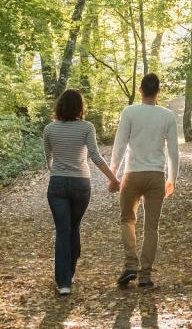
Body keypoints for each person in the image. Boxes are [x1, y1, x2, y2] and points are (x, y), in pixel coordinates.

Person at [44, 89, 120, 295]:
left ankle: (64, 283)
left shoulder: (49, 129)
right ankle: (70, 273)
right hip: (81, 185)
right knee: (73, 227)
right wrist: (113, 179)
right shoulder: (87, 127)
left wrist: (59, 172)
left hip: (57, 184)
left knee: (62, 231)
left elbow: (48, 158)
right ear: (80, 108)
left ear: (59, 107)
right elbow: (95, 156)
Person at [110, 72, 179, 289]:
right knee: (151, 226)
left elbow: (119, 145)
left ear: (140, 90)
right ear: (158, 92)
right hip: (156, 176)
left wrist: (113, 174)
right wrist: (172, 178)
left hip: (132, 174)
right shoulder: (167, 116)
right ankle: (145, 275)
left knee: (127, 219)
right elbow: (174, 152)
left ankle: (131, 264)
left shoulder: (130, 112)